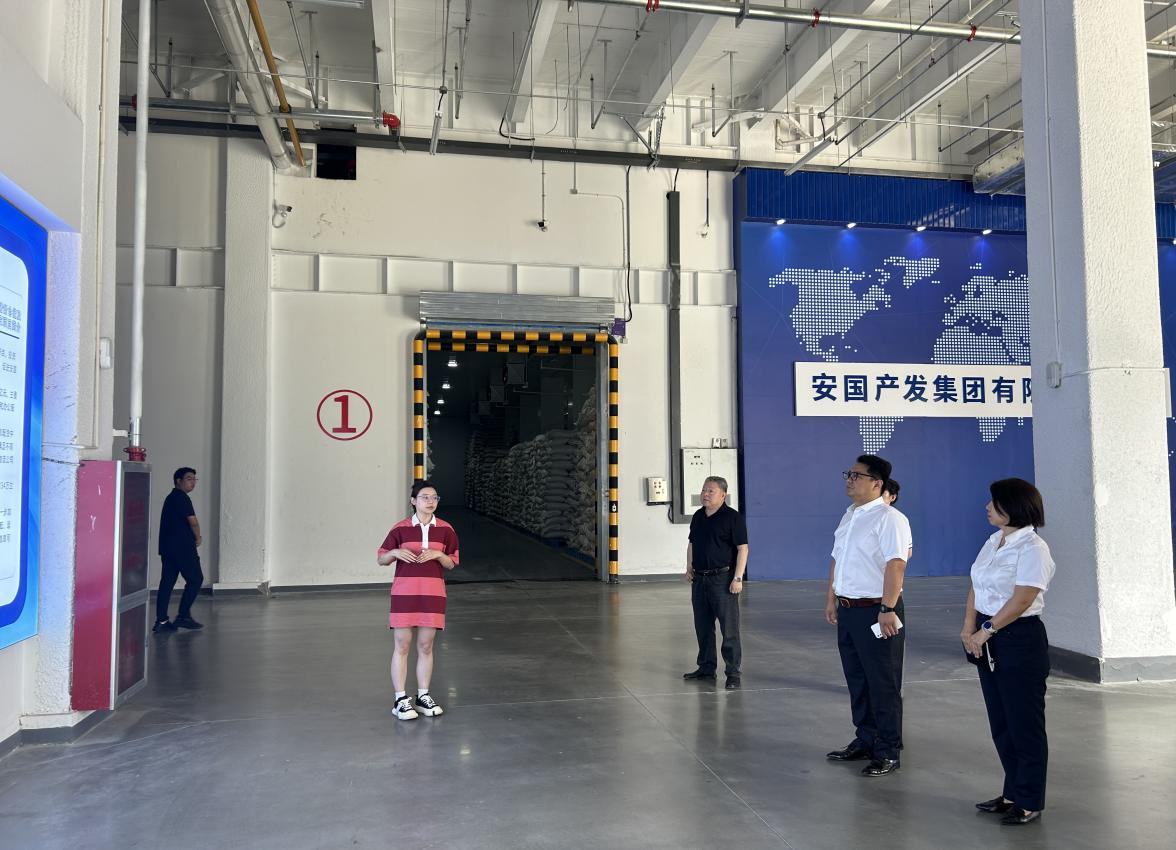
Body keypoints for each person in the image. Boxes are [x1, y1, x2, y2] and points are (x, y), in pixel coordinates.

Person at [962, 478, 1055, 826]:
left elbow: (1022, 599)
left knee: (1024, 724)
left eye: (995, 502)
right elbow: (976, 585)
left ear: (1013, 506)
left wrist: (985, 631)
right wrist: (968, 627)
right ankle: (1012, 792)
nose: (987, 507)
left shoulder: (1033, 548)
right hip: (986, 634)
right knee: (1001, 722)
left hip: (1018, 638)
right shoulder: (993, 541)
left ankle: (1029, 800)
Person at [824, 454, 912, 777]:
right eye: (848, 474)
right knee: (858, 679)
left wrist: (887, 608)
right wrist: (832, 598)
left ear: (877, 483)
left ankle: (888, 750)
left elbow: (896, 565)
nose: (849, 479)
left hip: (877, 611)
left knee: (883, 681)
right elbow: (837, 560)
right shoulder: (849, 516)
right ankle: (866, 738)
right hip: (849, 610)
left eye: (856, 475)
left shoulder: (890, 519)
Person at [377, 480, 460, 721]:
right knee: (402, 646)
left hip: (433, 594)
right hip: (404, 594)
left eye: (434, 497)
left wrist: (439, 554)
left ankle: (423, 696)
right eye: (425, 497)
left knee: (426, 646)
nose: (430, 501)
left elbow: (452, 563)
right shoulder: (400, 529)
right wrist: (394, 552)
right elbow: (381, 558)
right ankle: (400, 699)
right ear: (413, 501)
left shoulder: (446, 530)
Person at [682, 476, 749, 690]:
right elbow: (692, 543)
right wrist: (689, 566)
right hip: (699, 579)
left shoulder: (733, 518)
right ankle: (706, 667)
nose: (705, 494)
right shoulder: (698, 516)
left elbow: (742, 549)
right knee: (703, 627)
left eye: (711, 491)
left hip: (723, 580)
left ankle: (733, 673)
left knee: (729, 630)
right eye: (704, 490)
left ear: (723, 495)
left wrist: (738, 578)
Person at [153, 467, 204, 632]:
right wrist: (198, 537)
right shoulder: (181, 497)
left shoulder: (171, 498)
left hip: (168, 548)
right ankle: (183, 616)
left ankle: (161, 621)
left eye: (194, 479)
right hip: (183, 548)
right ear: (178, 481)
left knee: (167, 582)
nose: (193, 482)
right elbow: (193, 521)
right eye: (189, 479)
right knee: (196, 579)